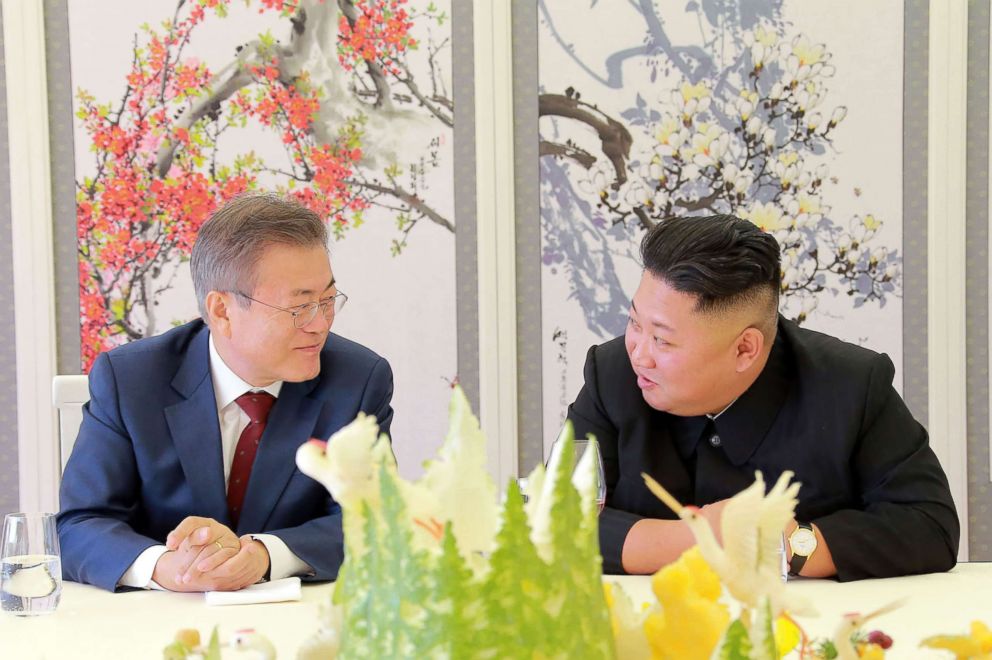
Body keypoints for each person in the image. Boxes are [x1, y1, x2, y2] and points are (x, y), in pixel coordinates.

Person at [567, 214, 959, 581]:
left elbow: (930, 525)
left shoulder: (851, 385)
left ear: (745, 350)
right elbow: (557, 518)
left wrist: (792, 545)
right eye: (635, 322)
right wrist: (707, 542)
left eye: (663, 339)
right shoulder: (612, 373)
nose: (639, 352)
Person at [58, 193, 394, 592]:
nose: (320, 324)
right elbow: (80, 525)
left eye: (327, 300)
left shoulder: (358, 379)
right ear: (221, 311)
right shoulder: (130, 379)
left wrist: (264, 555)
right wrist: (167, 568)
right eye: (300, 307)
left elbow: (372, 521)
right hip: (154, 622)